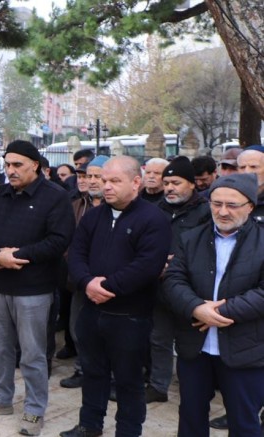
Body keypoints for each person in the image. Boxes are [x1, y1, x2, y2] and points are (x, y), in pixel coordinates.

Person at [61, 156, 171, 437]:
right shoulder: (93, 216)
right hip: (91, 311)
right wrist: (87, 283)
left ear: (136, 182)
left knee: (128, 380)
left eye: (114, 181)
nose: (106, 186)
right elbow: (76, 253)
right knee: (92, 372)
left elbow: (147, 266)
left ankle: (128, 430)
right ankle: (90, 424)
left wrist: (106, 287)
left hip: (130, 316)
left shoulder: (153, 218)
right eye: (103, 180)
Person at [0, 140, 75, 437]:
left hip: (33, 290)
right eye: (7, 165)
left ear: (35, 165)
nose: (11, 170)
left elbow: (59, 240)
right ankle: (0, 398)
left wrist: (17, 256)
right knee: (0, 346)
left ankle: (34, 409)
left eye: (17, 165)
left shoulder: (55, 196)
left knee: (32, 354)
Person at [162, 173, 264, 437]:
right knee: (191, 418)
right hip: (195, 348)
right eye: (216, 203)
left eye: (232, 205)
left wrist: (218, 311)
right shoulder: (191, 238)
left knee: (244, 423)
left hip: (245, 349)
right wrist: (196, 308)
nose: (223, 211)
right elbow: (173, 279)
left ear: (250, 206)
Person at [148, 157, 211, 404]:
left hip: (190, 291)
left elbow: (209, 249)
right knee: (159, 339)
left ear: (192, 184)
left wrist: (175, 265)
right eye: (166, 183)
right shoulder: (155, 210)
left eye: (176, 183)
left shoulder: (206, 212)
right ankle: (158, 386)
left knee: (190, 345)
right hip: (159, 288)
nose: (169, 188)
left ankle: (194, 390)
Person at [59, 156, 108, 390]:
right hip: (80, 280)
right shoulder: (76, 204)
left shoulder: (120, 208)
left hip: (109, 284)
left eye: (99, 176)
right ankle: (82, 369)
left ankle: (108, 373)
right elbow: (67, 241)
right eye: (89, 176)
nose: (93, 181)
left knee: (108, 332)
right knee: (78, 328)